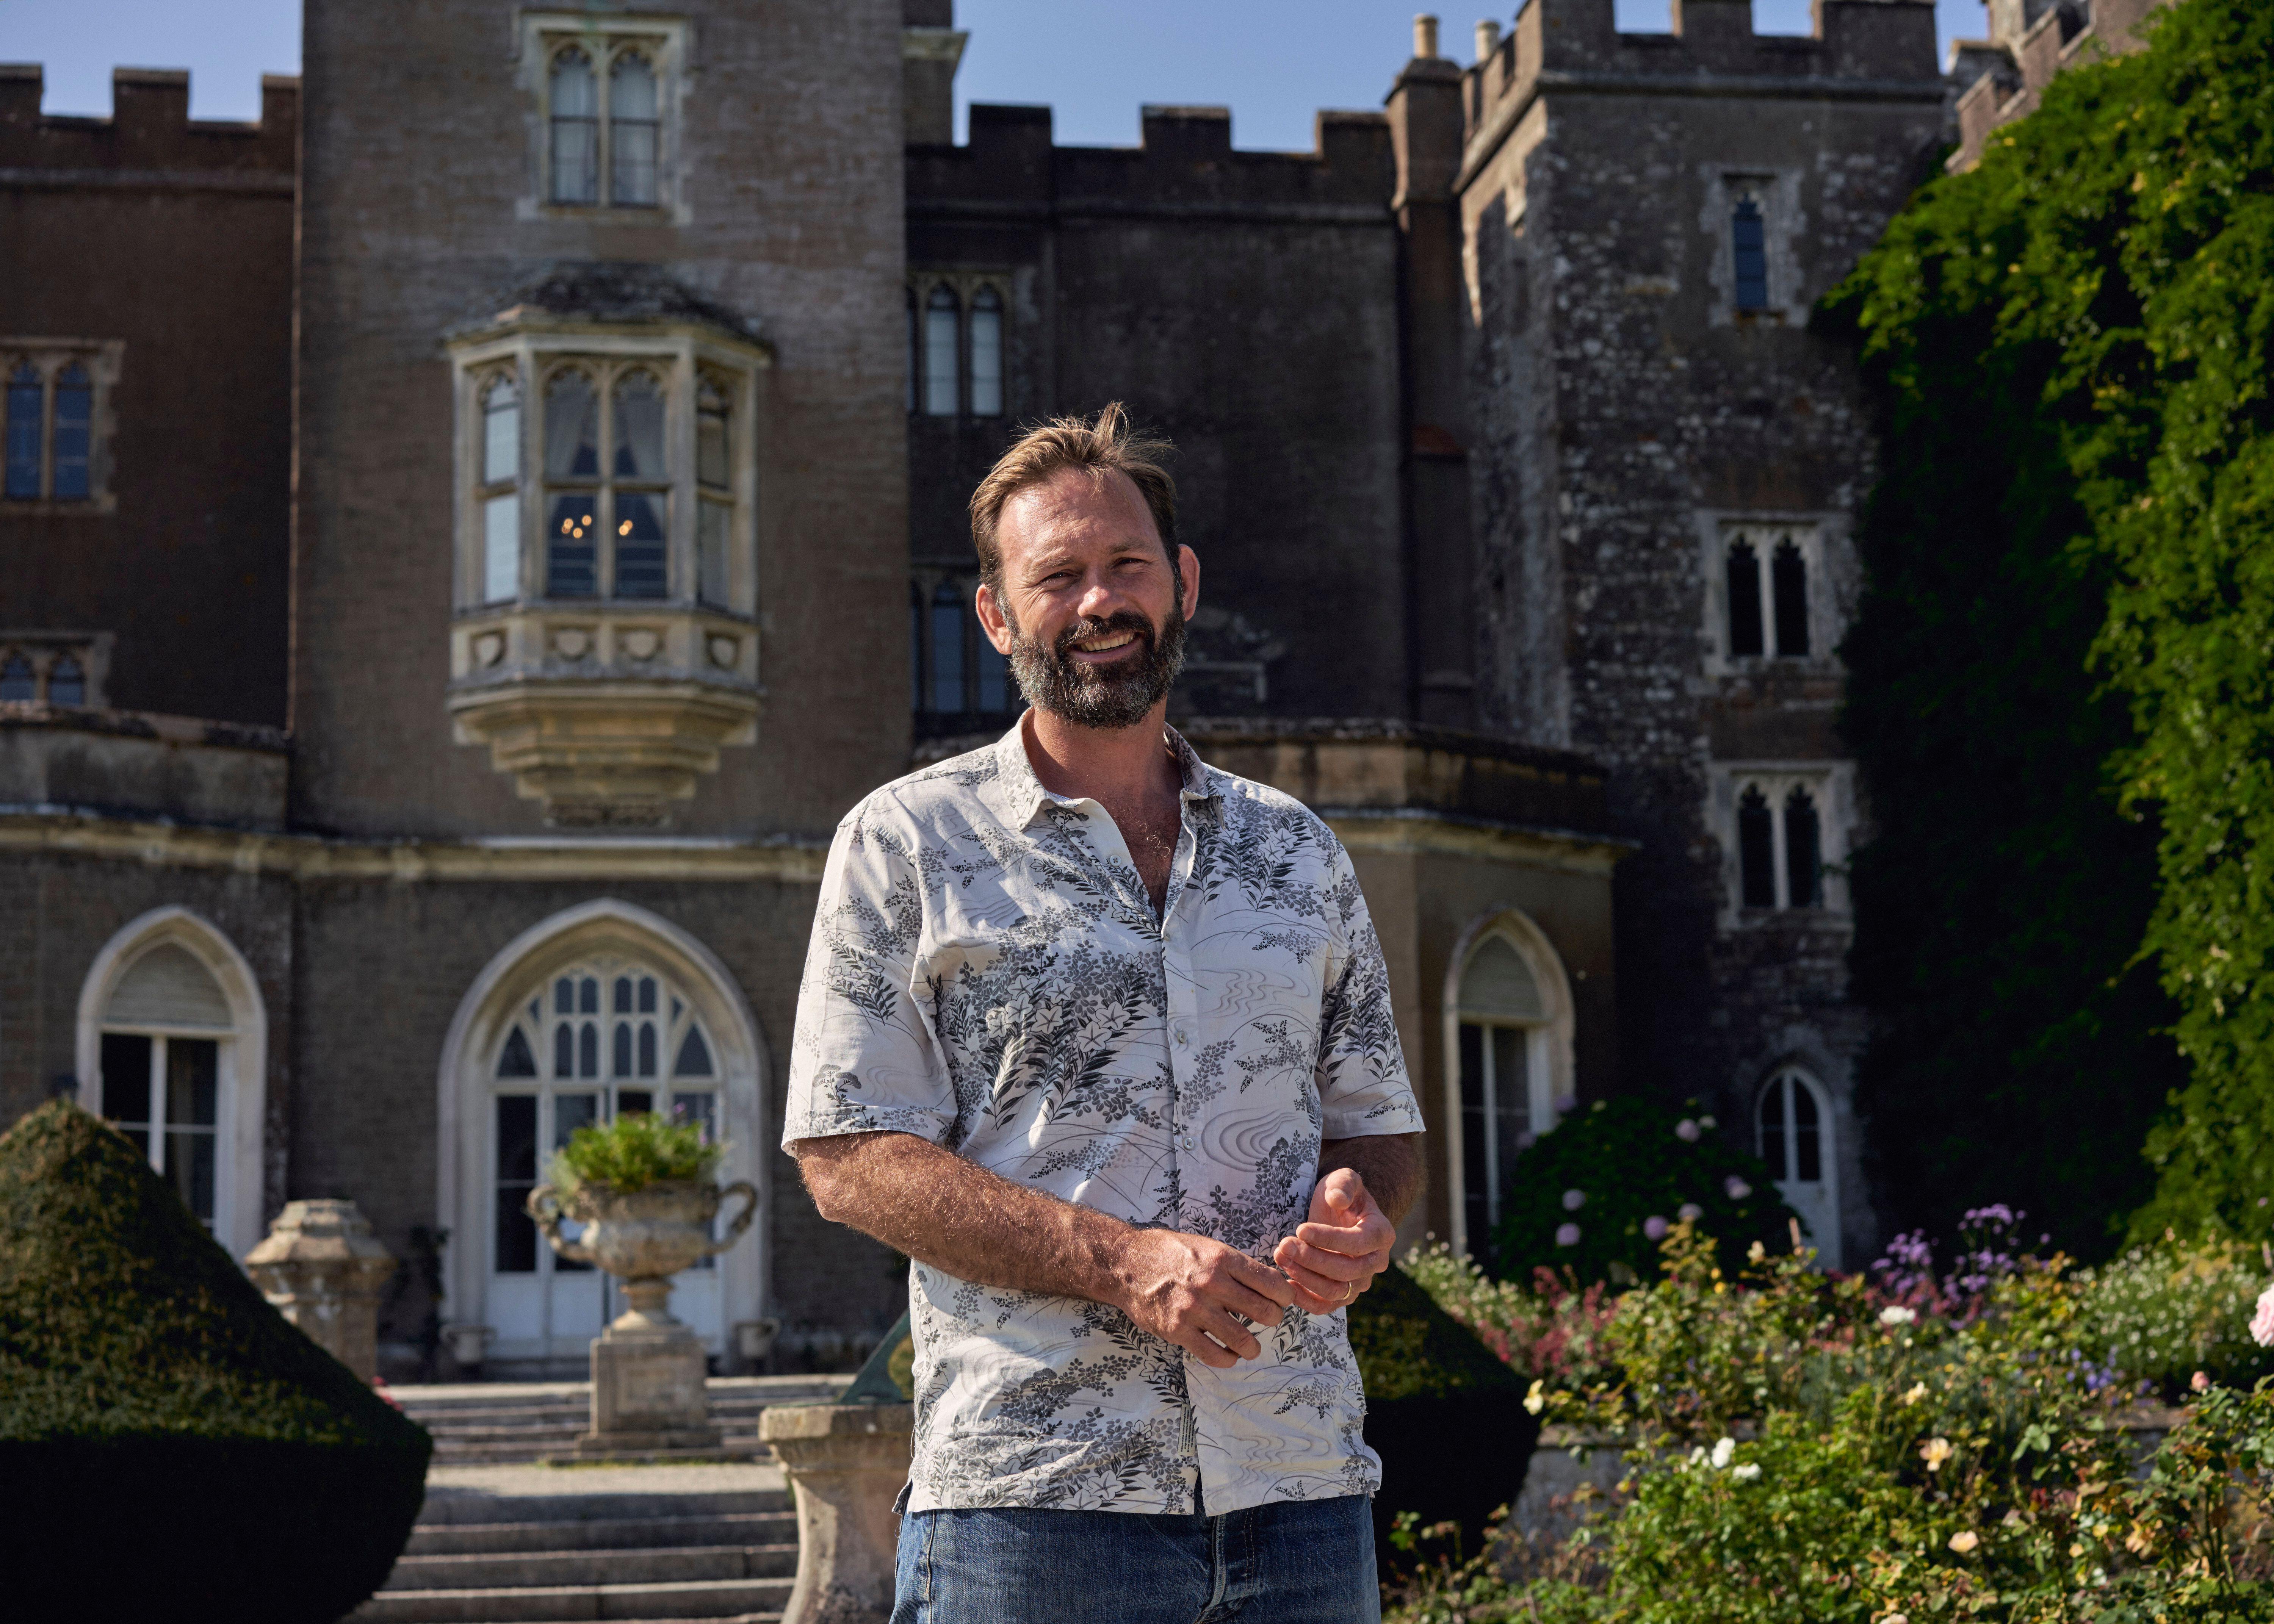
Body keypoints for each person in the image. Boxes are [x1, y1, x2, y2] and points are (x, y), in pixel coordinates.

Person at [783, 403, 1425, 1624]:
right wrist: (1123, 1264)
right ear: (995, 616)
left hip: (1302, 1493)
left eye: (1126, 566)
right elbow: (848, 1157)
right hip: (1035, 1511)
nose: (1099, 603)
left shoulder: (1298, 853)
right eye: (1058, 576)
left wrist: (1359, 1210)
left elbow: (1376, 1124)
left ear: (1180, 584)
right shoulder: (906, 842)